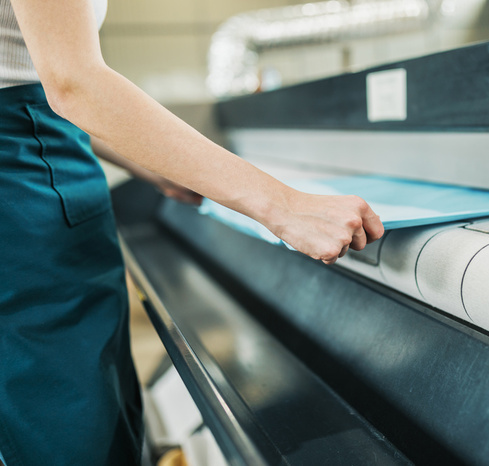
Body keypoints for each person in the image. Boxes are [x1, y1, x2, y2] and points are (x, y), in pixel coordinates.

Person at [0, 0, 384, 464]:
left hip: (37, 152)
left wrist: (157, 163)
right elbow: (73, 84)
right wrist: (283, 205)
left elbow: (42, 82)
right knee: (66, 422)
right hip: (22, 188)